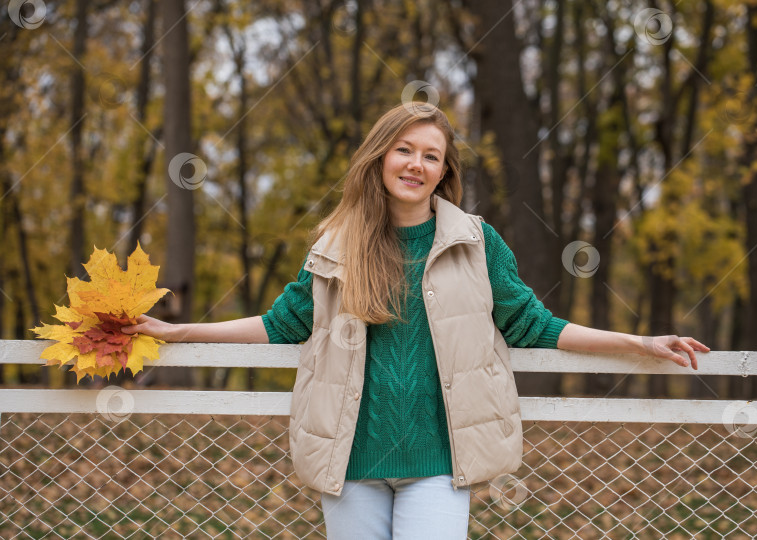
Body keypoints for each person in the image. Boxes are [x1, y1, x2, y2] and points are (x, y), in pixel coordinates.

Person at [122, 103, 710, 539]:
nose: (416, 164)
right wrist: (177, 332)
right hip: (351, 462)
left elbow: (535, 324)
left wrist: (639, 342)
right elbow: (282, 323)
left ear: (443, 171)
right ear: (380, 156)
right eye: (405, 150)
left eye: (431, 156)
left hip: (438, 462)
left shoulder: (475, 241)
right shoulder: (336, 244)